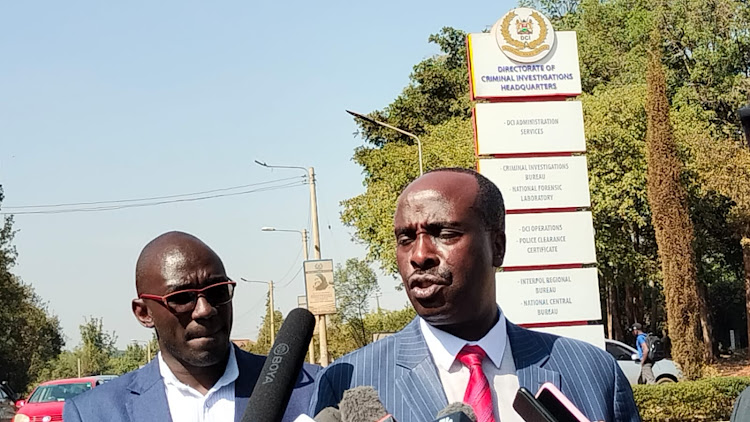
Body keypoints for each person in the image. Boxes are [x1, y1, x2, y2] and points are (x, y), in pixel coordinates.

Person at [310, 168, 640, 422]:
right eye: (406, 239)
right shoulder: (349, 381)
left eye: (445, 233)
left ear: (497, 247)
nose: (420, 254)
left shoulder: (594, 373)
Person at [64, 231, 319, 422]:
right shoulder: (94, 413)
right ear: (143, 313)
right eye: (182, 298)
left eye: (218, 291)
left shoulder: (310, 389)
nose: (204, 310)